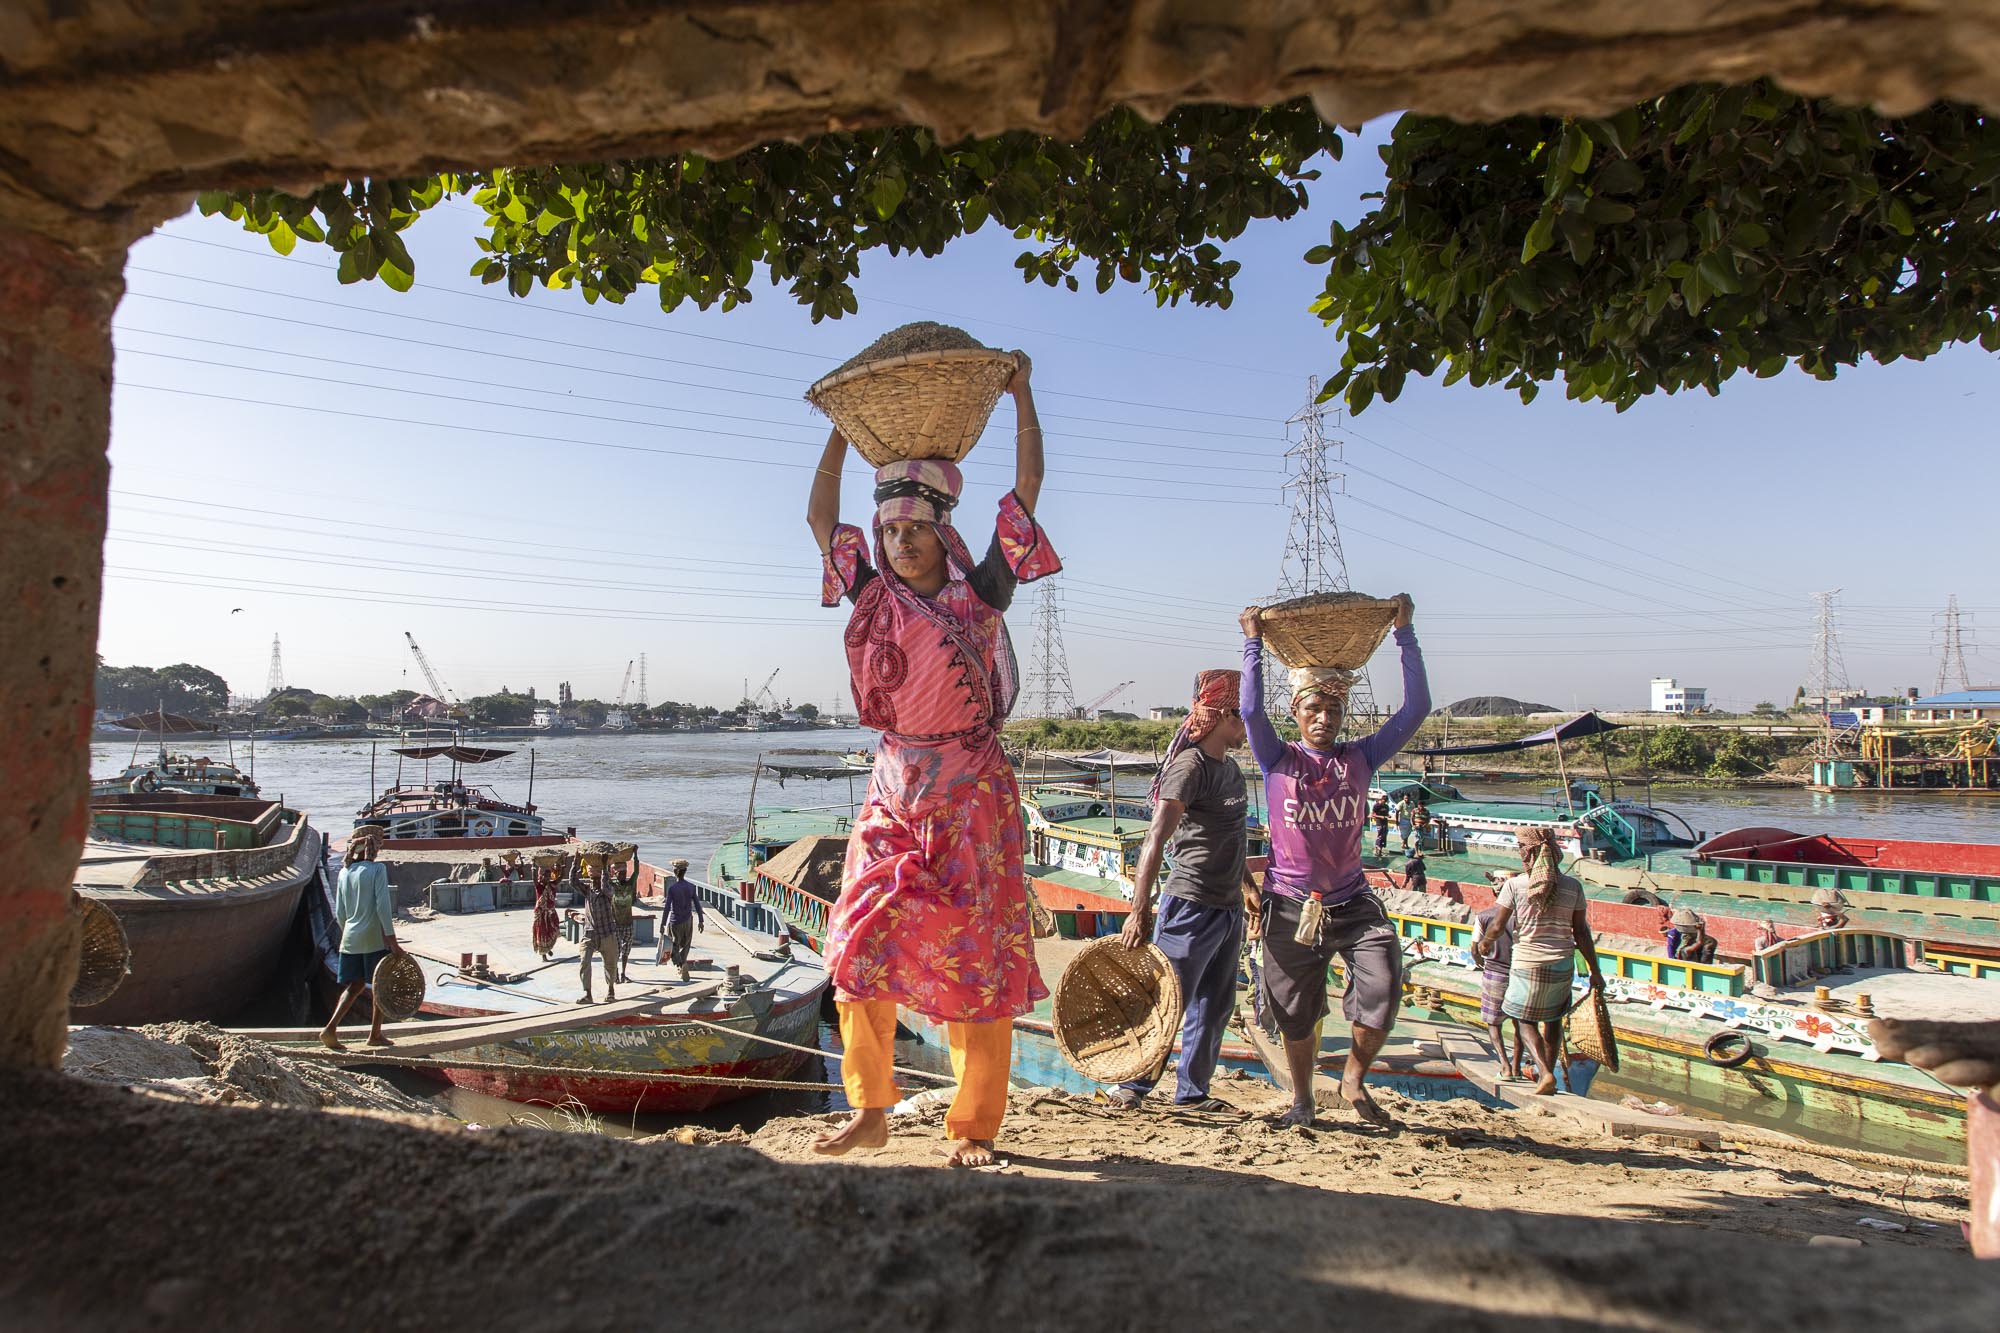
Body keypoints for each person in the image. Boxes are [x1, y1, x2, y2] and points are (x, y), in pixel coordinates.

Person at [805, 352, 1060, 1168]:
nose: (900, 540)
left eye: (914, 528)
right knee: (853, 942)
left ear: (941, 532)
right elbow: (820, 519)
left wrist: (1022, 397)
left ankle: (975, 1127)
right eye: (890, 530)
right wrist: (842, 438)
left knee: (976, 962)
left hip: (970, 796)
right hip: (893, 789)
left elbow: (1024, 496)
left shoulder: (979, 592)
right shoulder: (873, 597)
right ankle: (871, 1108)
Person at [1241, 594, 1429, 1129]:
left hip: (1351, 903)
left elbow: (1416, 710)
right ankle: (1301, 1099)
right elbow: (1251, 710)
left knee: (1384, 986)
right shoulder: (1279, 758)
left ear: (1343, 715)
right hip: (1288, 907)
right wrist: (1253, 643)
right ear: (1296, 715)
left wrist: (1405, 634)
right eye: (1313, 710)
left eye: (1333, 710)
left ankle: (1352, 1077)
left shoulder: (1360, 757)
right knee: (1295, 1015)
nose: (1324, 718)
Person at [1105, 668, 1249, 1114]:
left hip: (1227, 907)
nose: (1247, 728)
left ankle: (1192, 1093)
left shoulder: (1233, 771)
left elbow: (1232, 835)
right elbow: (1154, 840)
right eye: (1242, 718)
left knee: (1215, 1004)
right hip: (1189, 903)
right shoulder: (1191, 768)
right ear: (1224, 716)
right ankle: (1132, 1086)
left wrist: (1249, 888)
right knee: (1167, 998)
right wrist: (1138, 909)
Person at [1476, 827, 1605, 1096]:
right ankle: (1547, 1072)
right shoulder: (1573, 886)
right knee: (1554, 1020)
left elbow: (1499, 926)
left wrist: (1486, 942)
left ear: (1528, 852)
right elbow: (1581, 933)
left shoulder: (1515, 885)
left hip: (1528, 962)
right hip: (1562, 963)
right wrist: (1595, 971)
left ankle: (1545, 1074)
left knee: (1523, 1020)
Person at [319, 831, 403, 1050]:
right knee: (380, 985)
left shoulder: (345, 872)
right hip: (372, 937)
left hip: (350, 936)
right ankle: (375, 1034)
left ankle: (330, 1028)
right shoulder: (377, 869)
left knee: (354, 985)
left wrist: (348, 932)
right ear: (372, 851)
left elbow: (340, 912)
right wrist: (392, 940)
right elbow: (382, 907)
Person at [1470, 905, 1522, 1079]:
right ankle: (1516, 1068)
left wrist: (1480, 962)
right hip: (1519, 974)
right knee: (1521, 1024)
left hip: (1494, 973)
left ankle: (1505, 1066)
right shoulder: (1521, 916)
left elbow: (1474, 948)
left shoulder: (1483, 915)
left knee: (1493, 1023)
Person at [568, 864, 619, 1003]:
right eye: (592, 879)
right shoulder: (587, 890)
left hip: (607, 932)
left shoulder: (608, 889)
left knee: (610, 963)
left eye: (596, 879)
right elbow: (572, 881)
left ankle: (610, 990)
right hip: (589, 933)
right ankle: (588, 993)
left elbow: (606, 890)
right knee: (584, 962)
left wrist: (603, 869)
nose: (594, 882)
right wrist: (575, 863)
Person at [656, 858, 704, 981]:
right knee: (686, 944)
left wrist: (662, 923)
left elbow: (667, 908)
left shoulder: (673, 889)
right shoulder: (691, 887)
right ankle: (683, 964)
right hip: (688, 920)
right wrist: (701, 920)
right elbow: (698, 905)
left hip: (675, 921)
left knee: (672, 945)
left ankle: (680, 965)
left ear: (676, 871)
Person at [611, 859, 637, 982]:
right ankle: (615, 973)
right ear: (615, 874)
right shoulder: (612, 886)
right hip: (616, 924)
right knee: (616, 950)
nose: (622, 875)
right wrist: (607, 859)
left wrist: (636, 855)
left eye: (624, 873)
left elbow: (636, 872)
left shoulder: (629, 885)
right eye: (620, 873)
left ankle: (623, 973)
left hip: (628, 923)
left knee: (626, 950)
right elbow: (604, 877)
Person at [531, 863, 560, 960]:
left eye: (549, 876)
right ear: (541, 876)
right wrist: (533, 866)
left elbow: (561, 878)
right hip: (541, 913)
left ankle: (548, 948)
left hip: (551, 913)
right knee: (542, 933)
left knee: (554, 930)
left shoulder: (552, 885)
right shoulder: (539, 886)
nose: (547, 878)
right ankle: (544, 954)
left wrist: (563, 867)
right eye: (545, 876)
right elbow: (534, 879)